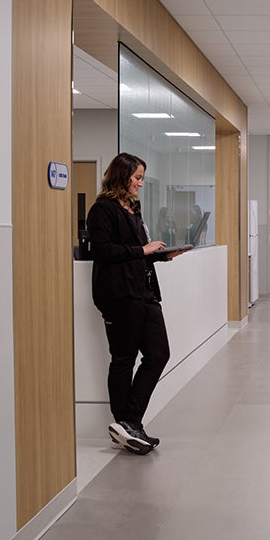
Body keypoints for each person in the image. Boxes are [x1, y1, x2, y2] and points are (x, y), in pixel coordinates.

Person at [86, 152, 187, 455]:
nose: (141, 184)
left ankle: (128, 422)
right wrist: (142, 250)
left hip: (144, 292)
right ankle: (128, 424)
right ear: (122, 176)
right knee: (124, 359)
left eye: (142, 178)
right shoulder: (102, 209)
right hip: (118, 295)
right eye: (138, 178)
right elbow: (103, 251)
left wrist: (158, 255)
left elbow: (136, 251)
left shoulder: (132, 209)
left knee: (158, 354)